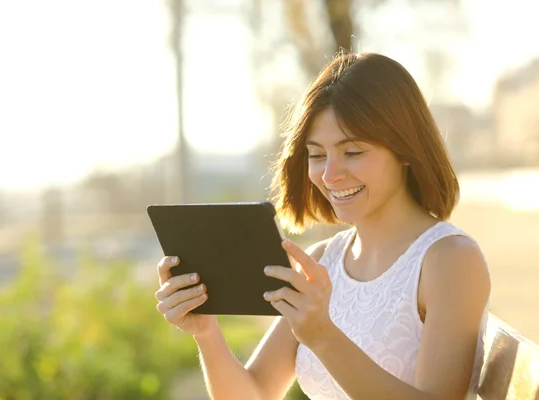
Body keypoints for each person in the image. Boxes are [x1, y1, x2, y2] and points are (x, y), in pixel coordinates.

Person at [154, 51, 491, 400]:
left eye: (353, 152)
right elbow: (253, 394)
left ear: (405, 150)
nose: (330, 175)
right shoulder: (323, 260)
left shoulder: (450, 260)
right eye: (317, 155)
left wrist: (322, 336)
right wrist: (206, 331)